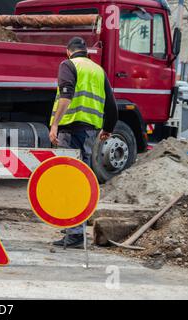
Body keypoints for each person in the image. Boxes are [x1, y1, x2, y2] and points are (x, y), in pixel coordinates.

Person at [49, 37, 118, 248]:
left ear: (68, 51)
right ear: (86, 52)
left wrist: (55, 125)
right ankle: (74, 227)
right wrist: (108, 128)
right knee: (81, 179)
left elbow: (66, 97)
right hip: (89, 132)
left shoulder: (68, 65)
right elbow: (112, 105)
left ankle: (76, 233)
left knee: (70, 180)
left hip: (70, 131)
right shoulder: (98, 70)